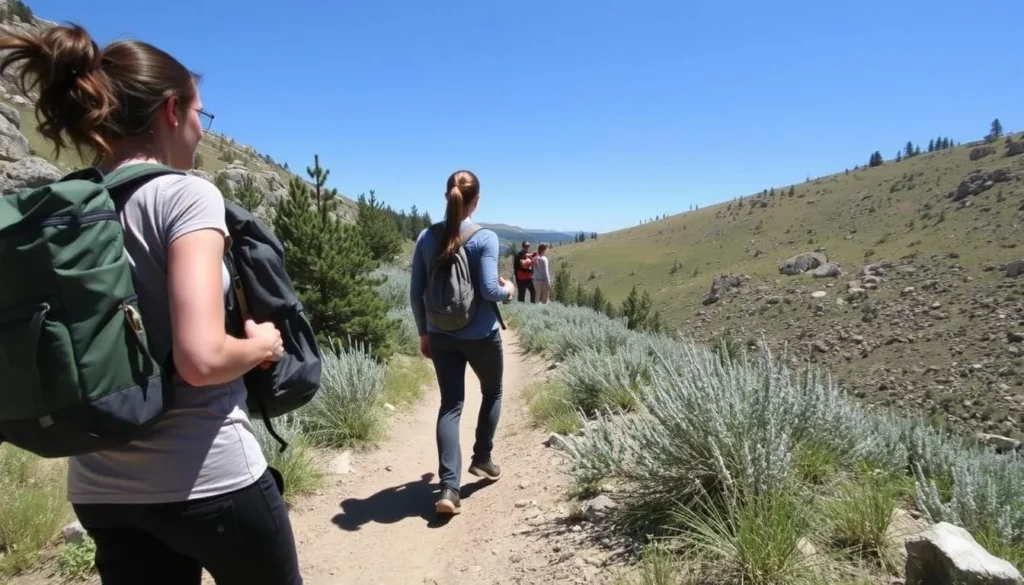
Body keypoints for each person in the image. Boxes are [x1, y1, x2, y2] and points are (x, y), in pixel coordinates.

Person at [0, 24, 303, 584]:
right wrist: (261, 343)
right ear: (171, 110)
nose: (199, 128)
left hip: (100, 490)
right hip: (205, 477)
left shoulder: (73, 206)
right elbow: (202, 358)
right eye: (200, 114)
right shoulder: (185, 194)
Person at [409, 170, 516, 515]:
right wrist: (509, 290)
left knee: (451, 405)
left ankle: (447, 490)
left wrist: (424, 332)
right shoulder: (485, 238)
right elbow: (489, 290)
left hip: (440, 334)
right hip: (481, 334)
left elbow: (416, 294)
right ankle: (482, 458)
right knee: (493, 392)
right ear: (476, 200)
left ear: (447, 197)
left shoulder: (426, 237)